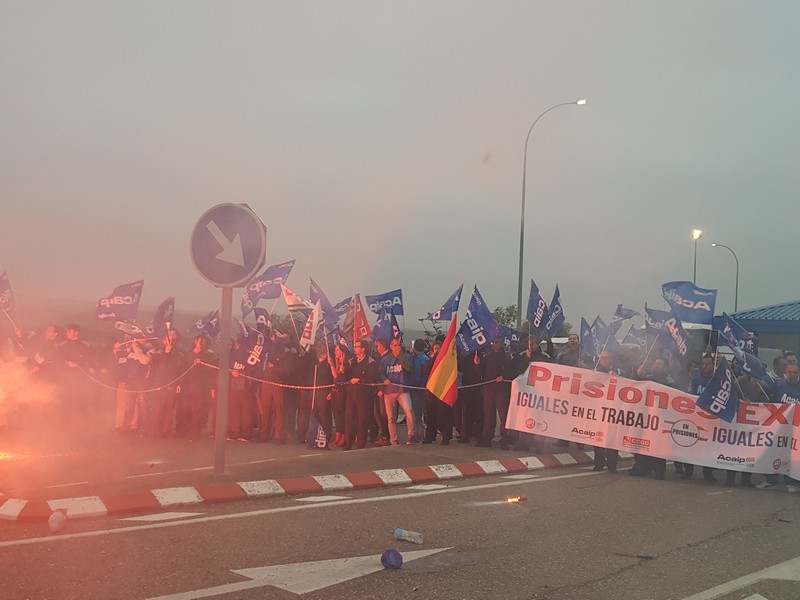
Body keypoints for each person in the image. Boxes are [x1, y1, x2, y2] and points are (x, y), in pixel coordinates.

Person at [758, 362, 800, 492]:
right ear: (785, 373)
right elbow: (765, 392)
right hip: (778, 427)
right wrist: (756, 383)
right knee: (774, 452)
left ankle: (791, 481)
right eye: (789, 372)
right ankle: (771, 480)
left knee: (792, 455)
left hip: (795, 429)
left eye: (794, 372)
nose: (792, 374)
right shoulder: (778, 385)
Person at [629, 357, 672, 479]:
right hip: (646, 416)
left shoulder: (670, 381)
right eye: (655, 363)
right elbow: (634, 386)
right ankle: (641, 467)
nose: (656, 365)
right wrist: (637, 375)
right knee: (642, 443)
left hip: (661, 418)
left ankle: (659, 471)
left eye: (660, 364)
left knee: (658, 445)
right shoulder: (647, 378)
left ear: (665, 367)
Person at [684, 354, 717, 482]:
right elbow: (689, 394)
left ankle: (708, 472)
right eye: (703, 364)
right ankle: (688, 470)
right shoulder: (695, 378)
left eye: (707, 364)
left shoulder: (717, 379)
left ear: (713, 364)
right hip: (696, 416)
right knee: (690, 444)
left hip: (711, 418)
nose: (704, 366)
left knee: (708, 446)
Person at [476, 336, 513, 449]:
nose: (494, 344)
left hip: (501, 389)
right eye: (493, 342)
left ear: (502, 343)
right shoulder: (488, 356)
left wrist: (503, 376)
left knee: (503, 415)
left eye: (497, 342)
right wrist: (478, 364)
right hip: (489, 388)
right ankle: (486, 438)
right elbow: (482, 372)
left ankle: (504, 440)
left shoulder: (506, 357)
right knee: (488, 414)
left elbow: (512, 371)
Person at [148, 328, 185, 438]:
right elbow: (158, 367)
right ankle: (155, 431)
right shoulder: (158, 353)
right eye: (169, 335)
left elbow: (180, 370)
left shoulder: (179, 354)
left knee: (169, 410)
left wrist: (179, 384)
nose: (171, 337)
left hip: (171, 385)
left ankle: (167, 431)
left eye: (173, 335)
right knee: (157, 409)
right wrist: (167, 353)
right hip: (159, 385)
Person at [380, 338, 416, 445]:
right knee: (391, 417)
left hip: (402, 390)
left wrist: (400, 356)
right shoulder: (385, 360)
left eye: (399, 345)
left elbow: (409, 368)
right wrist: (384, 379)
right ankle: (393, 439)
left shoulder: (407, 357)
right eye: (395, 345)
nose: (397, 347)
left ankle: (411, 435)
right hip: (389, 391)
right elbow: (379, 373)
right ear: (391, 346)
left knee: (409, 411)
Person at [345, 339, 379, 450]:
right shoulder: (352, 361)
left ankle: (361, 442)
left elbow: (371, 378)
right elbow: (347, 375)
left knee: (362, 419)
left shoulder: (370, 362)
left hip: (364, 394)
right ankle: (348, 442)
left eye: (357, 347)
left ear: (363, 349)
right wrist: (344, 369)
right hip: (351, 393)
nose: (355, 349)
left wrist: (359, 380)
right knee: (349, 418)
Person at [422, 340, 454, 444]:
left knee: (443, 415)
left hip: (443, 390)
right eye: (435, 348)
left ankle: (446, 436)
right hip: (431, 390)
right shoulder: (430, 360)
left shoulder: (447, 361)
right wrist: (432, 359)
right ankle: (430, 436)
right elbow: (425, 371)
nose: (436, 350)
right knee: (431, 414)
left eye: (438, 348)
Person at [592, 350, 619, 473]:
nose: (605, 360)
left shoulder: (618, 371)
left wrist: (617, 377)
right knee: (597, 438)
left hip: (613, 410)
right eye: (603, 357)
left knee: (612, 439)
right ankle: (599, 463)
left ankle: (612, 464)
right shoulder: (596, 372)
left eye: (607, 357)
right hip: (599, 409)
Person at [327, 344, 350, 447]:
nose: (337, 352)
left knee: (342, 415)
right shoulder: (337, 364)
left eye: (339, 350)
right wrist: (330, 392)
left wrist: (331, 365)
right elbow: (334, 381)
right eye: (336, 350)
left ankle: (344, 436)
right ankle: (338, 435)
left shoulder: (346, 364)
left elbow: (336, 376)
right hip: (335, 392)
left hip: (343, 392)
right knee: (336, 415)